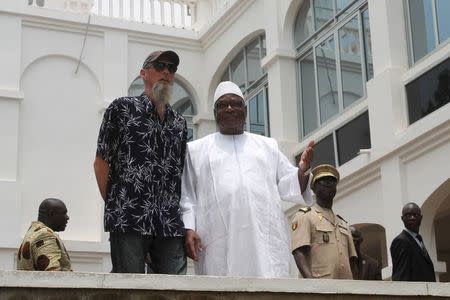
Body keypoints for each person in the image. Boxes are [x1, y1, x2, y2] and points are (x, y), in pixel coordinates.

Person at [180, 81, 315, 278]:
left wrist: (302, 170)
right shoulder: (196, 149)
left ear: (245, 110)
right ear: (215, 112)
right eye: (222, 104)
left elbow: (289, 184)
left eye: (235, 103)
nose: (229, 108)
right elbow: (187, 196)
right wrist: (189, 228)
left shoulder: (267, 145)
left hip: (264, 237)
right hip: (218, 240)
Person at [93, 50, 188, 274]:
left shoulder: (179, 123)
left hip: (168, 221)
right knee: (130, 290)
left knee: (176, 288)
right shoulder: (122, 109)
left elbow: (179, 172)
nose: (166, 71)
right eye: (159, 66)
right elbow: (101, 163)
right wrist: (116, 206)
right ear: (144, 73)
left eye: (171, 68)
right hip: (129, 218)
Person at [291, 164, 357, 279]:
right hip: (319, 287)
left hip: (346, 289)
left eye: (332, 181)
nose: (328, 183)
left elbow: (352, 260)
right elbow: (299, 252)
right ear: (314, 188)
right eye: (322, 181)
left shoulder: (343, 224)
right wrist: (312, 284)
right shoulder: (305, 216)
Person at [17, 198, 72, 271]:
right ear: (52, 214)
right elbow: (52, 276)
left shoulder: (33, 232)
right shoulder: (45, 235)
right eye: (64, 213)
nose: (67, 217)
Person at [390, 202, 436, 281]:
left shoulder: (418, 239)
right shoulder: (401, 241)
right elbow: (401, 275)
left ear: (421, 218)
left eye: (415, 215)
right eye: (408, 215)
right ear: (402, 218)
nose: (412, 217)